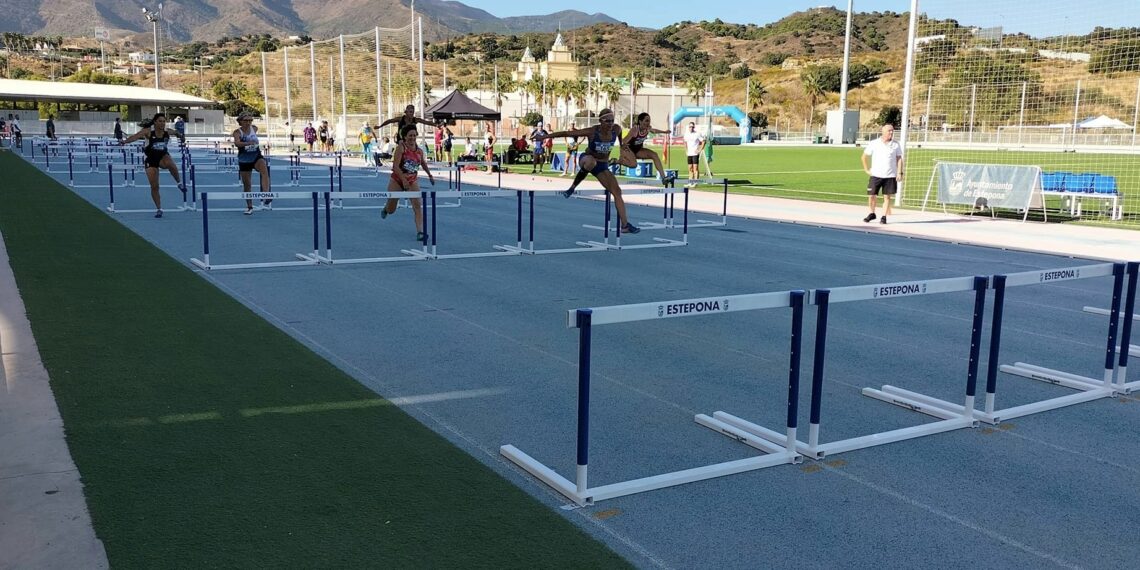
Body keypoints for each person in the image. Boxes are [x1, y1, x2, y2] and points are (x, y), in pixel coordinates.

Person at [537, 109, 640, 234]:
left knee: (617, 191)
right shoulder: (592, 131)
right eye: (607, 121)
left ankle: (625, 225)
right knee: (591, 162)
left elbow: (620, 140)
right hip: (586, 159)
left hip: (602, 165)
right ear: (600, 121)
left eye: (612, 121)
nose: (610, 124)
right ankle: (572, 187)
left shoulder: (616, 129)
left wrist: (624, 145)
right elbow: (567, 133)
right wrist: (543, 137)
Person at [119, 113, 187, 218]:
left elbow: (176, 132)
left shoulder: (167, 131)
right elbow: (135, 137)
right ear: (155, 122)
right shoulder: (148, 131)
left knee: (170, 164)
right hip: (150, 159)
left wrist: (181, 137)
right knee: (155, 186)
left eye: (164, 121)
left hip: (162, 156)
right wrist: (124, 142)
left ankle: (179, 183)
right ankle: (159, 209)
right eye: (160, 121)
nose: (162, 123)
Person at [379, 126, 434, 241]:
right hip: (397, 180)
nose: (412, 138)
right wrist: (403, 180)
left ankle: (420, 232)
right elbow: (395, 166)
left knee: (417, 206)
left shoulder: (419, 151)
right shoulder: (401, 148)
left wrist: (430, 175)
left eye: (414, 135)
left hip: (412, 180)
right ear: (404, 137)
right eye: (410, 135)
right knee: (392, 210)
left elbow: (423, 163)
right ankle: (386, 208)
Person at [861, 123, 904, 225]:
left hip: (890, 175)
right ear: (883, 131)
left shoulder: (895, 144)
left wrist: (899, 172)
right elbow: (864, 157)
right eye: (889, 131)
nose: (891, 132)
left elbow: (899, 159)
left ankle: (884, 216)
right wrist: (866, 170)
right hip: (876, 175)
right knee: (871, 195)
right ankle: (872, 213)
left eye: (892, 131)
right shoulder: (874, 143)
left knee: (887, 197)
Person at [232, 112, 273, 215]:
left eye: (250, 120)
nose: (248, 122)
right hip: (244, 159)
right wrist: (247, 143)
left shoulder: (254, 128)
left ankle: (266, 194)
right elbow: (237, 143)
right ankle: (249, 206)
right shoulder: (237, 132)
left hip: (256, 156)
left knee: (264, 169)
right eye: (246, 120)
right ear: (240, 121)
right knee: (247, 184)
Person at [619, 113, 673, 185]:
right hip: (628, 149)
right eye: (646, 121)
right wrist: (623, 152)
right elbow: (624, 141)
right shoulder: (635, 129)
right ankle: (617, 161)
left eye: (649, 121)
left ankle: (663, 178)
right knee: (634, 165)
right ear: (640, 121)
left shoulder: (648, 128)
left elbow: (654, 131)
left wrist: (665, 132)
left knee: (654, 155)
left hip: (638, 150)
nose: (648, 123)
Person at [683, 121, 706, 187]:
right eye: (690, 127)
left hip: (695, 154)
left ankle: (696, 182)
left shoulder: (697, 134)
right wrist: (686, 150)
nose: (691, 128)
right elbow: (685, 142)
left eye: (692, 127)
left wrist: (700, 149)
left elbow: (703, 141)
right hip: (689, 154)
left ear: (694, 127)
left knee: (695, 168)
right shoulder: (686, 134)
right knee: (690, 168)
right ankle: (690, 182)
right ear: (688, 127)